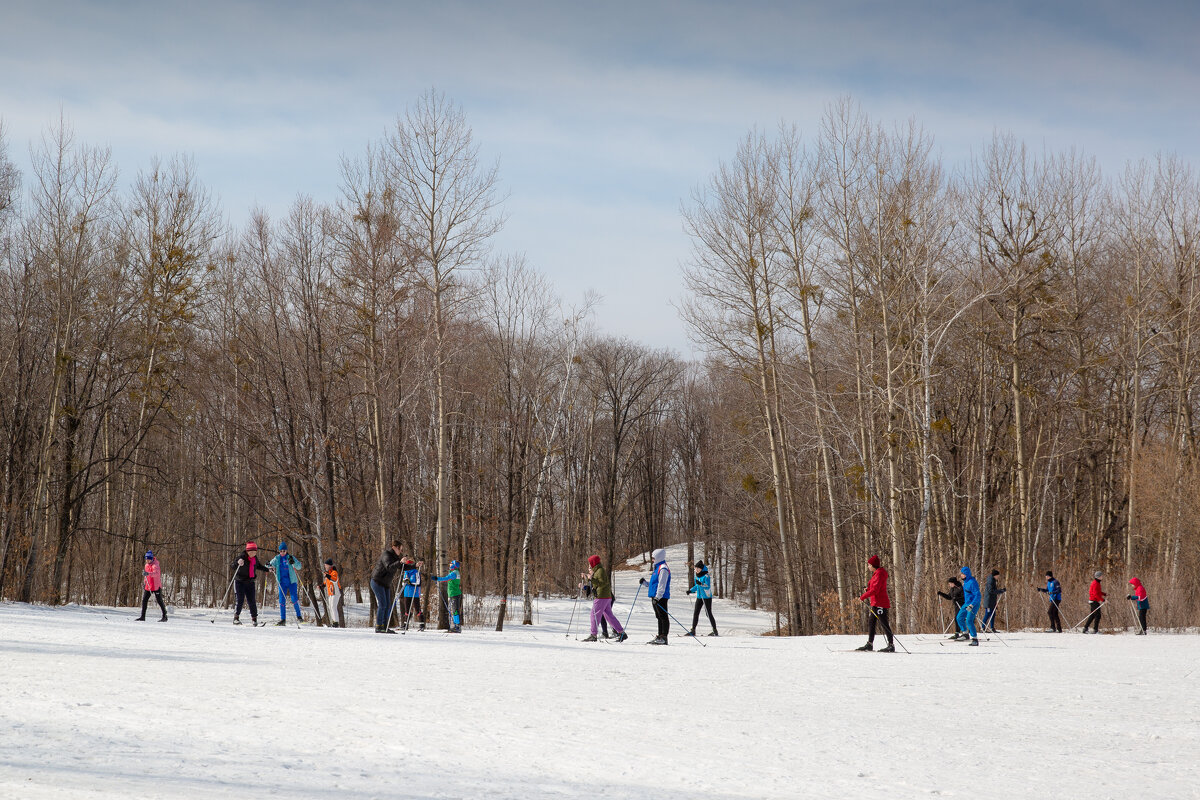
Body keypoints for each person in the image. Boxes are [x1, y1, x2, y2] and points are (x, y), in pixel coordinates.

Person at [580, 555, 627, 643]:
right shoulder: (597, 571)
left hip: (601, 596)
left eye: (590, 563)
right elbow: (595, 584)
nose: (589, 565)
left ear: (593, 563)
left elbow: (602, 583)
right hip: (606, 596)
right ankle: (621, 633)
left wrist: (591, 579)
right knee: (608, 616)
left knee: (594, 615)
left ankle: (593, 635)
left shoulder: (600, 571)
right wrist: (588, 578)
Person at [855, 555, 895, 652]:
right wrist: (867, 589)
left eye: (869, 565)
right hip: (875, 603)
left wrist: (863, 597)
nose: (868, 566)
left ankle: (891, 645)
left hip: (880, 603)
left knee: (884, 623)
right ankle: (870, 644)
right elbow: (875, 588)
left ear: (873, 565)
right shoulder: (876, 574)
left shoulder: (879, 574)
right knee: (871, 622)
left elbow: (876, 590)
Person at [232, 541, 273, 626]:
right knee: (240, 600)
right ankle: (236, 618)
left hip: (250, 582)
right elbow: (232, 566)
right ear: (247, 551)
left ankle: (254, 619)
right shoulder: (241, 557)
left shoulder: (254, 559)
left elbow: (259, 566)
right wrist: (237, 562)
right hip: (239, 582)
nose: (253, 553)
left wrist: (268, 569)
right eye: (251, 551)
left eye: (254, 551)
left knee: (252, 601)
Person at [369, 541, 405, 634]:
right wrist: (399, 562)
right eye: (400, 549)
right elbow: (389, 567)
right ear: (395, 547)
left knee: (388, 605)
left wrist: (415, 565)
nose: (401, 551)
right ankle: (379, 626)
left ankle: (385, 626)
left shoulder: (395, 557)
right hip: (377, 581)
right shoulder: (386, 554)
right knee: (383, 604)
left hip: (385, 583)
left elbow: (402, 567)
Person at [639, 547, 671, 645]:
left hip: (661, 597)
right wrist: (645, 583)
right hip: (655, 596)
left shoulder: (663, 568)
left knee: (663, 616)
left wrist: (658, 597)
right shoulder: (657, 568)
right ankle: (660, 635)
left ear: (658, 558)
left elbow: (662, 585)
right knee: (658, 616)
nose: (652, 560)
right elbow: (654, 584)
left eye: (653, 558)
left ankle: (664, 637)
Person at [269, 542, 304, 625]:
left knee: (294, 599)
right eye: (281, 551)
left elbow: (299, 566)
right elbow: (269, 565)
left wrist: (294, 563)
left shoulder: (290, 557)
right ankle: (283, 619)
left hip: (291, 581)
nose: (282, 553)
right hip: (281, 582)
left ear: (286, 551)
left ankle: (299, 617)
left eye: (284, 551)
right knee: (281, 600)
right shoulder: (277, 558)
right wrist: (269, 565)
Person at [686, 560, 718, 637]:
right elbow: (697, 586)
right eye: (695, 568)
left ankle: (714, 630)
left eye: (698, 568)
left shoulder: (706, 576)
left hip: (706, 597)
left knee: (708, 613)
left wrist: (701, 584)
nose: (696, 570)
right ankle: (693, 630)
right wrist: (690, 590)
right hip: (699, 597)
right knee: (696, 613)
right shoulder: (697, 576)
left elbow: (707, 586)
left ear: (701, 569)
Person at [432, 559, 465, 633]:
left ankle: (457, 626)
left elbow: (445, 578)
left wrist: (437, 578)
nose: (449, 564)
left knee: (455, 610)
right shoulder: (455, 572)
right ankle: (455, 626)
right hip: (454, 593)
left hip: (454, 594)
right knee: (454, 610)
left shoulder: (454, 573)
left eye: (451, 563)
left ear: (454, 565)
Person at [137, 551, 168, 622]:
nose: (147, 560)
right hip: (148, 586)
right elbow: (146, 577)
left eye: (148, 559)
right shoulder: (146, 565)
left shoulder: (155, 565)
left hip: (156, 586)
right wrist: (144, 582)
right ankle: (142, 616)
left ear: (151, 559)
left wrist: (148, 573)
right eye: (146, 559)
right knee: (144, 600)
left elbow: (156, 574)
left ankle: (164, 616)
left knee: (159, 601)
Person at [956, 566, 980, 645]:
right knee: (959, 617)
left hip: (973, 604)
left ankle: (975, 639)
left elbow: (978, 595)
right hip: (966, 603)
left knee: (969, 620)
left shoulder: (972, 582)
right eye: (961, 574)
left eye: (962, 574)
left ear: (966, 574)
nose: (961, 575)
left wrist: (972, 605)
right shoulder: (965, 582)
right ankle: (965, 634)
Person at [401, 558, 425, 631]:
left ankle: (421, 625)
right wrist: (405, 582)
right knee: (406, 610)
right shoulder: (405, 573)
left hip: (414, 593)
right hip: (407, 593)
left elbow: (418, 583)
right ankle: (405, 625)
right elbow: (402, 583)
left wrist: (410, 583)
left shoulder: (416, 572)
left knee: (417, 609)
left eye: (408, 565)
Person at [322, 559, 344, 628]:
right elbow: (326, 582)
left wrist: (327, 576)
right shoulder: (328, 573)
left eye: (326, 565)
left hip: (336, 592)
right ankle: (333, 622)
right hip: (331, 593)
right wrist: (321, 586)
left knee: (333, 607)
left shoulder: (334, 572)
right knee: (330, 607)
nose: (325, 566)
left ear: (329, 565)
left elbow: (334, 579)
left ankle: (336, 623)